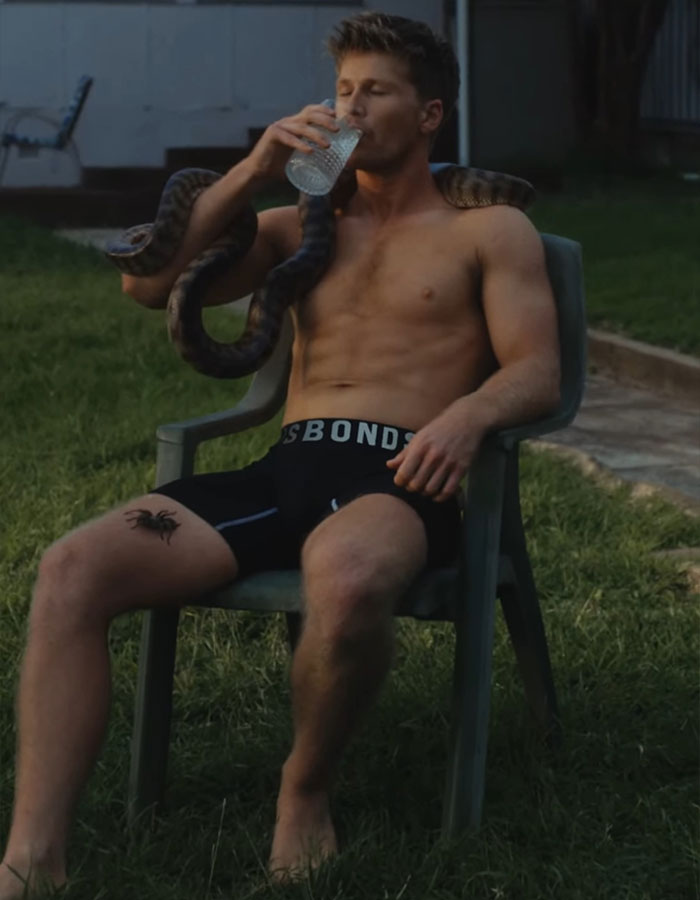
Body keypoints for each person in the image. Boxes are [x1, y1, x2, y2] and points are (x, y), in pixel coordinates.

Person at [0, 11, 560, 897]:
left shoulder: (488, 232)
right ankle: (32, 856)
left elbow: (537, 370)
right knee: (73, 569)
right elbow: (148, 285)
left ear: (428, 116)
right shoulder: (297, 227)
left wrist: (465, 419)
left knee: (345, 579)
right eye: (342, 89)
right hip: (290, 466)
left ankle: (303, 789)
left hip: (401, 475)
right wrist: (258, 168)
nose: (351, 106)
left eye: (375, 90)